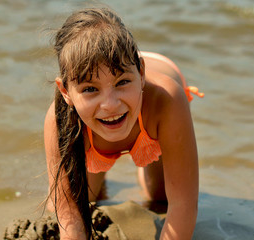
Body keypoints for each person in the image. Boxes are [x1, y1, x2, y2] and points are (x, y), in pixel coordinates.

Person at [44, 7, 203, 240]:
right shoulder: (59, 118)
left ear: (141, 73)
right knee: (78, 202)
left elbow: (184, 203)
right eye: (90, 89)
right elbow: (66, 210)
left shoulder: (166, 99)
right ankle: (99, 164)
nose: (110, 104)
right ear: (65, 91)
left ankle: (144, 161)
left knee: (159, 196)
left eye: (121, 83)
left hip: (148, 111)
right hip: (96, 123)